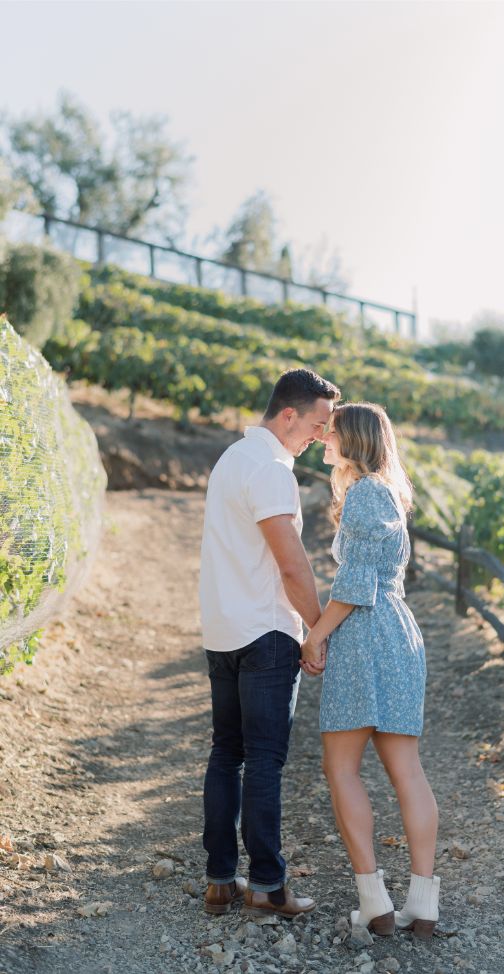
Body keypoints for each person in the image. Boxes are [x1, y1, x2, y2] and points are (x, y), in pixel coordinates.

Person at [199, 368, 339, 918]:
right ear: (288, 415)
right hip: (266, 633)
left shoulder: (231, 460)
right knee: (262, 762)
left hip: (221, 629)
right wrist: (317, 628)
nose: (321, 437)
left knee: (225, 753)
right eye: (317, 424)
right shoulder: (273, 470)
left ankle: (219, 880)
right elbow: (291, 565)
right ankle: (266, 885)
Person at [300, 402, 441, 939]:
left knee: (341, 768)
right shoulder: (387, 493)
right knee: (407, 772)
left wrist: (315, 635)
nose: (322, 439)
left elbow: (355, 588)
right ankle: (423, 905)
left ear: (353, 439)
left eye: (330, 432)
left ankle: (374, 900)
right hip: (400, 634)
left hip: (364, 635)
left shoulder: (362, 494)